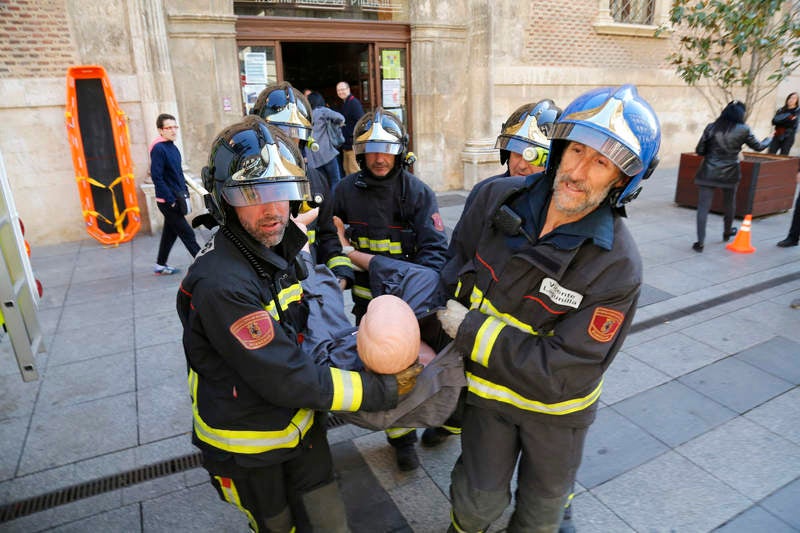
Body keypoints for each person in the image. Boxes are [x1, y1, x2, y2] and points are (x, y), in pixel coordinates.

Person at [178, 116, 420, 532]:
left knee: (328, 524)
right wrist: (378, 389)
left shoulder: (276, 248)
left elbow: (299, 339)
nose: (273, 210)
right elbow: (285, 376)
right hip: (252, 446)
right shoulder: (222, 283)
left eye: (282, 192)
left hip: (303, 427)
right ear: (222, 199)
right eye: (252, 193)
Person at [438, 84, 661, 533]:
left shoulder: (617, 265)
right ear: (558, 149)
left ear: (622, 180)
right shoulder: (494, 199)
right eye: (576, 149)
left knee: (541, 516)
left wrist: (470, 331)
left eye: (601, 161)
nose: (578, 171)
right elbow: (451, 275)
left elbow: (567, 369)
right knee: (476, 505)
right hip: (488, 397)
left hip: (557, 416)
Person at [332, 107, 449, 472]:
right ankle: (401, 440)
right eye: (371, 149)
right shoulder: (344, 191)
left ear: (400, 151)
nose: (380, 157)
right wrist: (341, 273)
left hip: (412, 308)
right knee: (381, 375)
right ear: (359, 153)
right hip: (366, 308)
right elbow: (328, 240)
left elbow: (434, 256)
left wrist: (396, 280)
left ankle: (439, 421)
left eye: (387, 149)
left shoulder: (417, 193)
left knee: (424, 369)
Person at [251, 81, 354, 290]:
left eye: (293, 136)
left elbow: (327, 235)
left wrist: (340, 276)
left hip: (311, 292)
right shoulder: (247, 187)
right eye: (277, 136)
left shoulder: (316, 181)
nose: (285, 144)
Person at [692, 100, 769, 252]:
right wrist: (770, 138)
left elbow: (700, 150)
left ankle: (700, 242)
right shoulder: (743, 129)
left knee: (703, 207)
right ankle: (727, 233)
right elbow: (759, 147)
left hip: (708, 171)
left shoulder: (711, 127)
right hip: (730, 172)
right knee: (729, 204)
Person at [149, 113, 200, 274]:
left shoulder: (172, 147)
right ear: (160, 130)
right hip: (168, 202)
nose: (173, 130)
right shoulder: (159, 149)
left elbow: (177, 173)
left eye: (174, 127)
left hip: (177, 198)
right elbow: (156, 177)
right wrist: (170, 199)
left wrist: (185, 191)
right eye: (168, 127)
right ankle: (206, 266)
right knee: (188, 234)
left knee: (169, 234)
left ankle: (160, 265)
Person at [306, 91, 345, 192]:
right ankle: (334, 205)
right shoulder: (322, 111)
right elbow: (341, 118)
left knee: (321, 184)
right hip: (327, 153)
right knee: (335, 180)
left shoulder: (305, 115)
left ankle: (324, 205)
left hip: (312, 156)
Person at [336, 81, 365, 176]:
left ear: (348, 89)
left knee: (354, 171)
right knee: (347, 169)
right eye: (338, 90)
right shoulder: (345, 103)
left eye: (343, 89)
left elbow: (360, 123)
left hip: (353, 144)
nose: (341, 92)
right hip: (346, 144)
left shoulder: (354, 103)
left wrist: (346, 132)